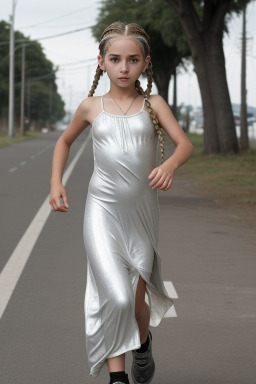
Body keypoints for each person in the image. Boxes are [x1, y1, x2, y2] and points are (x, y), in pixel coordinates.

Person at [49, 21, 194, 384]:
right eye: (115, 59)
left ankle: (142, 346)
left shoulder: (154, 104)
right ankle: (118, 378)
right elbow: (64, 142)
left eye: (132, 59)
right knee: (113, 297)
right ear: (102, 61)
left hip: (142, 216)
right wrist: (56, 181)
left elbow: (185, 144)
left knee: (132, 301)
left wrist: (169, 165)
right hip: (101, 213)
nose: (124, 67)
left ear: (145, 63)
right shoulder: (90, 107)